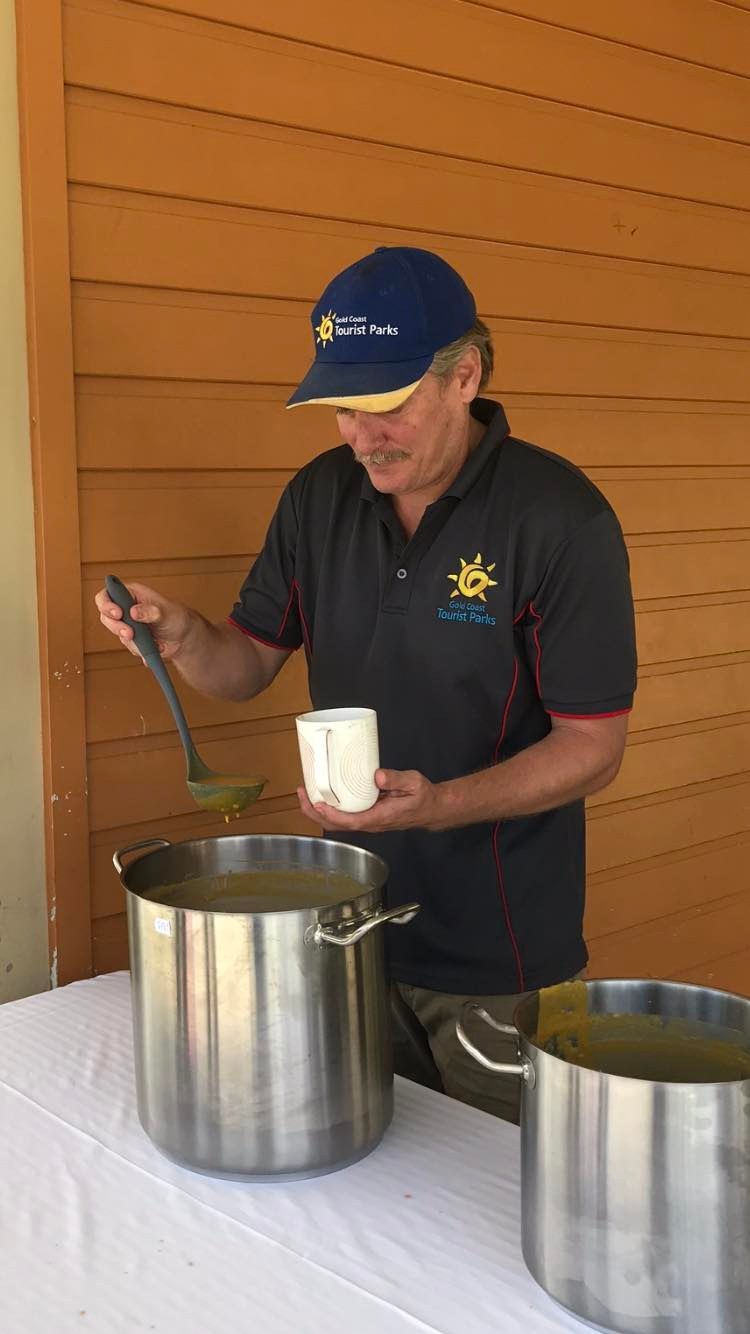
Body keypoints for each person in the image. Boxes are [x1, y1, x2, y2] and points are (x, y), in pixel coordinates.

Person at [96, 246, 637, 1122]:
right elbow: (246, 665)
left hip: (499, 957)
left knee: (496, 1204)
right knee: (361, 1191)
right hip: (342, 928)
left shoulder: (560, 519)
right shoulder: (318, 497)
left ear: (466, 376)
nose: (358, 434)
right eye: (342, 405)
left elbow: (593, 748)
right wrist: (183, 635)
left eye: (384, 405)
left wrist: (436, 804)